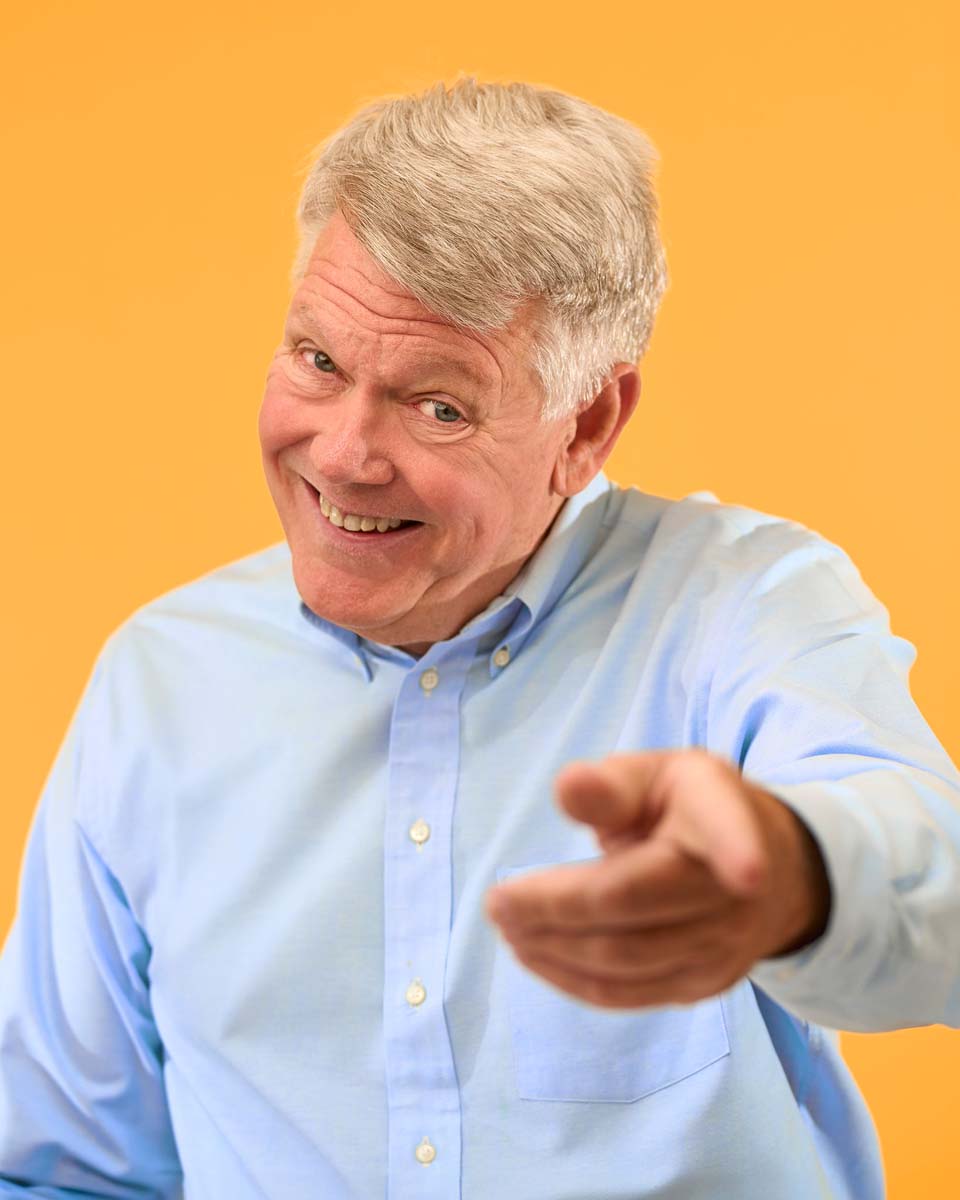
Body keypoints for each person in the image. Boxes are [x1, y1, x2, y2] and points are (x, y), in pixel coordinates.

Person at [1, 76, 958, 1200]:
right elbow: (65, 1169)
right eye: (318, 360)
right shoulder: (160, 683)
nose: (345, 454)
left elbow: (935, 898)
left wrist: (792, 878)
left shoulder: (738, 604)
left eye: (438, 406)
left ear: (588, 426)